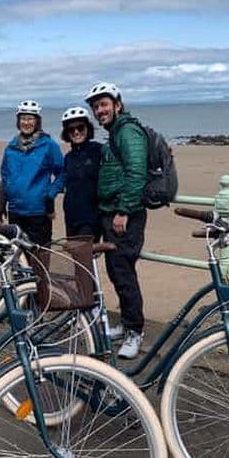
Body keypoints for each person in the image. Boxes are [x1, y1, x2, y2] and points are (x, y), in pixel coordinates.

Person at [86, 82, 148, 359]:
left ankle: (135, 331)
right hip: (113, 213)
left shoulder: (127, 131)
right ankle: (126, 324)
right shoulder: (116, 132)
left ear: (117, 105)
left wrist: (123, 210)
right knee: (117, 272)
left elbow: (137, 172)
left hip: (125, 216)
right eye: (96, 106)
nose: (100, 110)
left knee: (123, 273)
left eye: (104, 104)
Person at [0, 100, 64, 246]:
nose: (26, 123)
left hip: (38, 213)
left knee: (38, 259)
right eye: (23, 118)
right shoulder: (11, 147)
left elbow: (62, 173)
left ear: (37, 121)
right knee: (15, 258)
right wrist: (1, 201)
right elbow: (5, 176)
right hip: (15, 211)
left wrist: (50, 194)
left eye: (30, 119)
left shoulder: (48, 145)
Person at [59, 106, 101, 241]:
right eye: (71, 129)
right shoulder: (68, 157)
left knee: (85, 258)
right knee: (76, 259)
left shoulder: (99, 151)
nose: (76, 132)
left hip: (91, 219)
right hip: (71, 217)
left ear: (88, 128)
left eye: (80, 127)